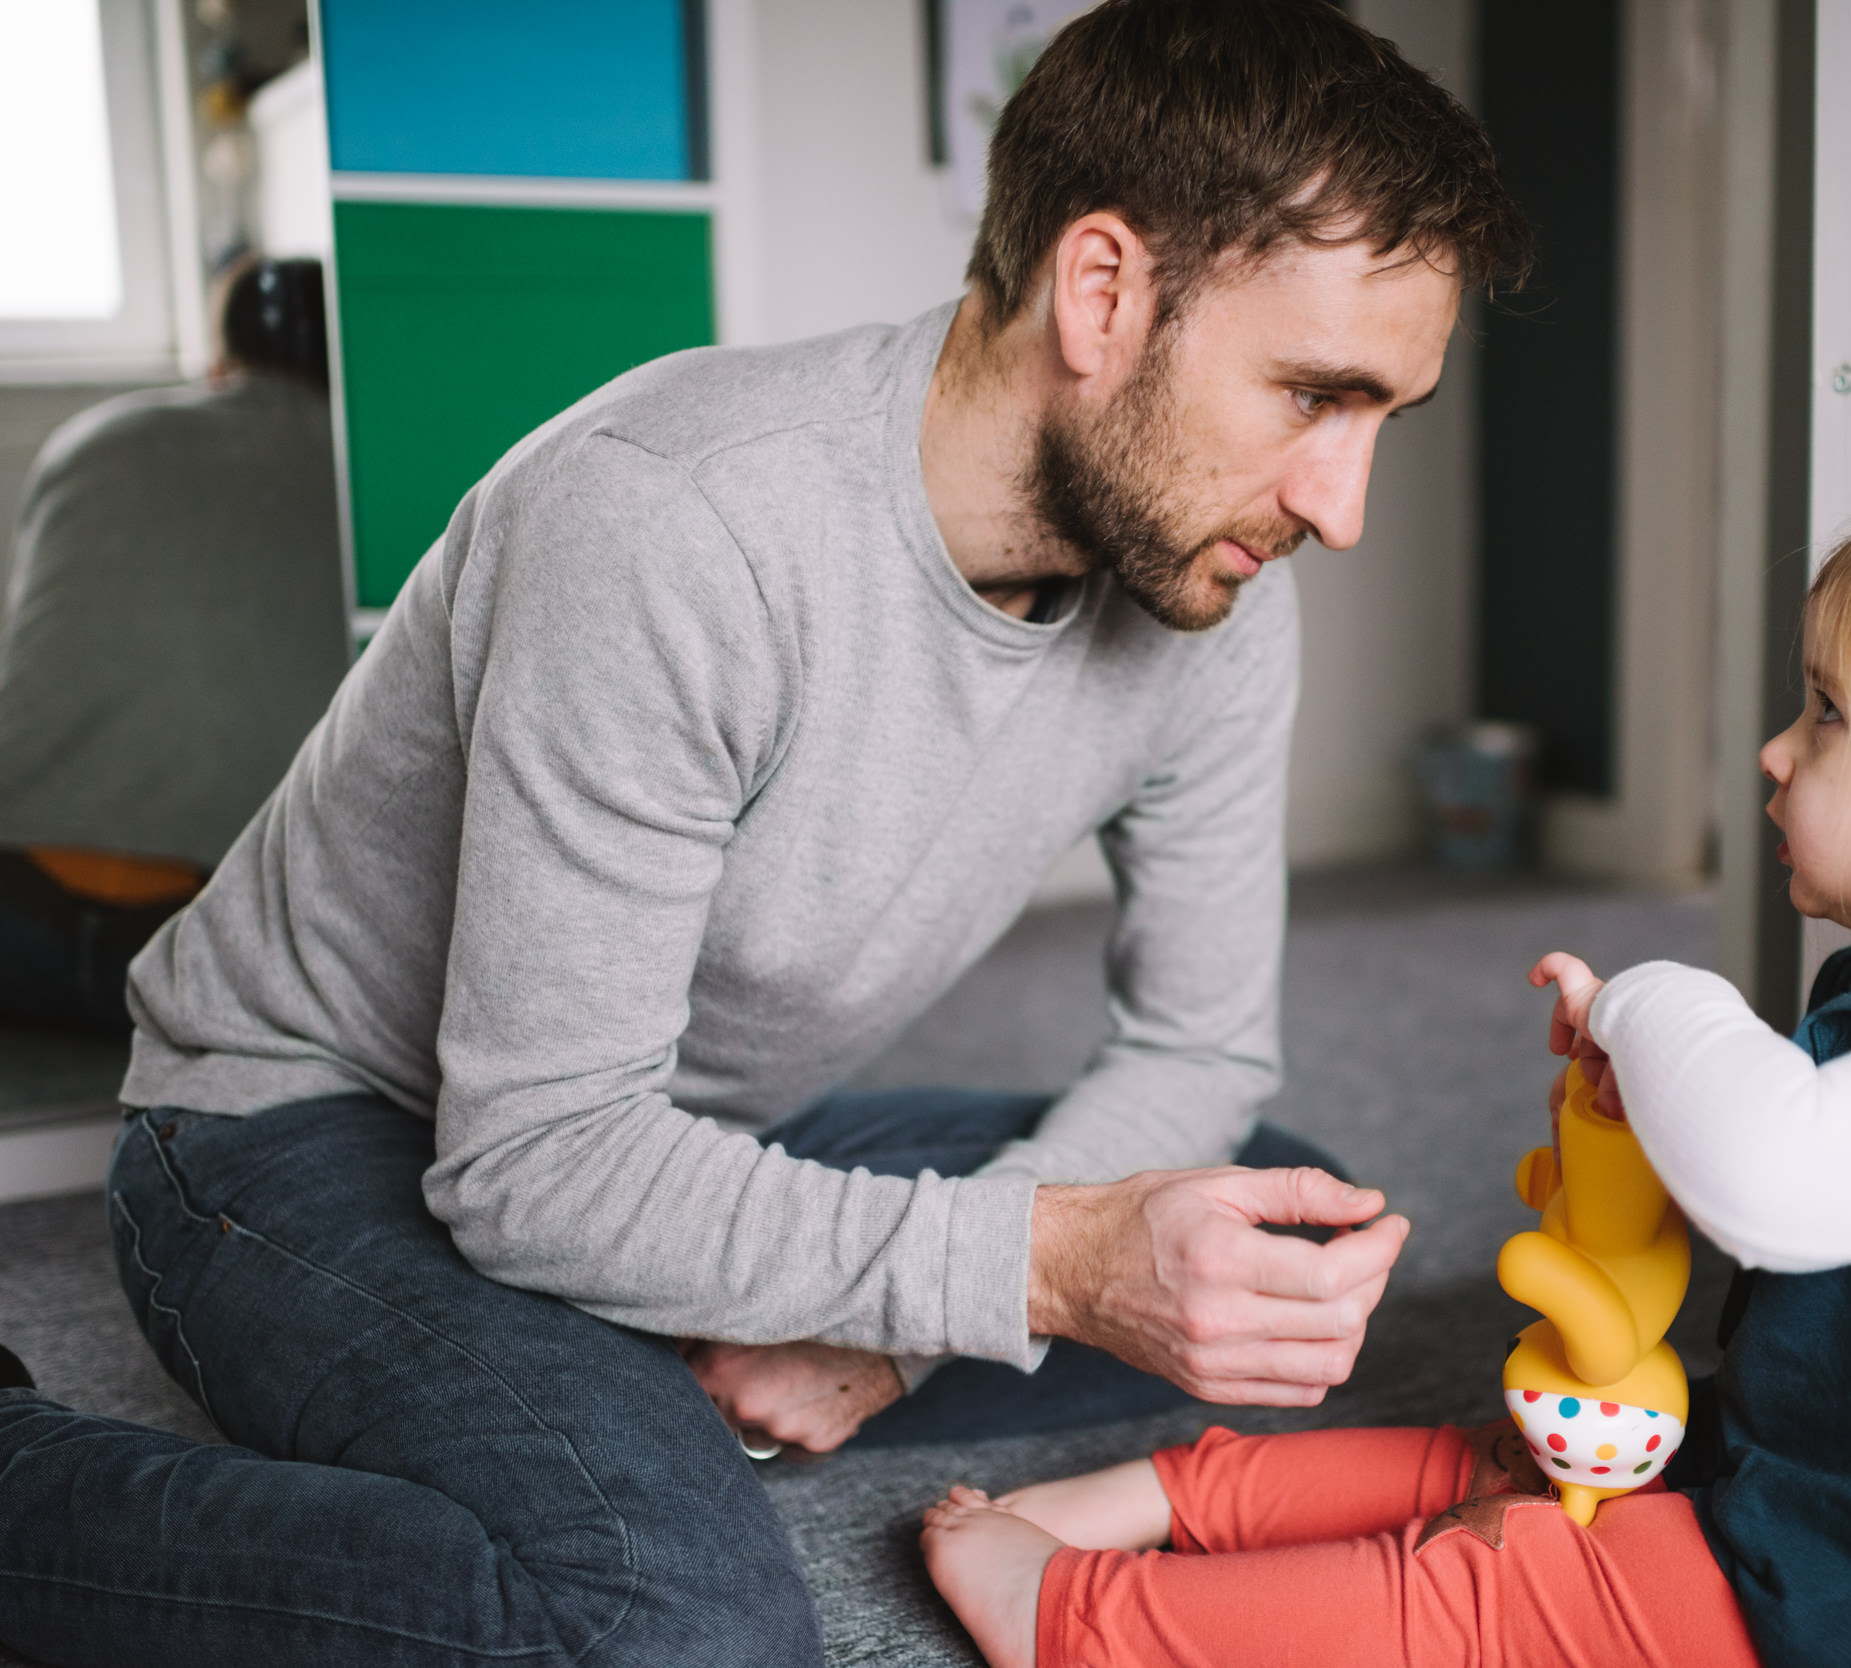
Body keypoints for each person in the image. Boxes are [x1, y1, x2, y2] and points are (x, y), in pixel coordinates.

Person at [0, 2, 1533, 1663]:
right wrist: (1034, 1266)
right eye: (1313, 393)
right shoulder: (674, 520)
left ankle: (624, 1362)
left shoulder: (1215, 599)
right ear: (1101, 292)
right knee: (678, 1623)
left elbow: (1197, 1045)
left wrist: (889, 1337)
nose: (1341, 504)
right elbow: (534, 1160)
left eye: (1383, 414)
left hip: (651, 1118)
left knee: (1262, 1236)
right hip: (301, 1134)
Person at [919, 489, 1851, 1668]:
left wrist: (1649, 996)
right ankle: (1160, 1496)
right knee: (1514, 1455)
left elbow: (1771, 1179)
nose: (1774, 750)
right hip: (1822, 1523)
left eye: (1827, 714)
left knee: (1497, 1592)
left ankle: (1081, 1623)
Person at [0, 257, 343, 1033]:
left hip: (17, 907)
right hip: (199, 949)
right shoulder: (366, 472)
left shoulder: (92, 440)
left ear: (219, 360)